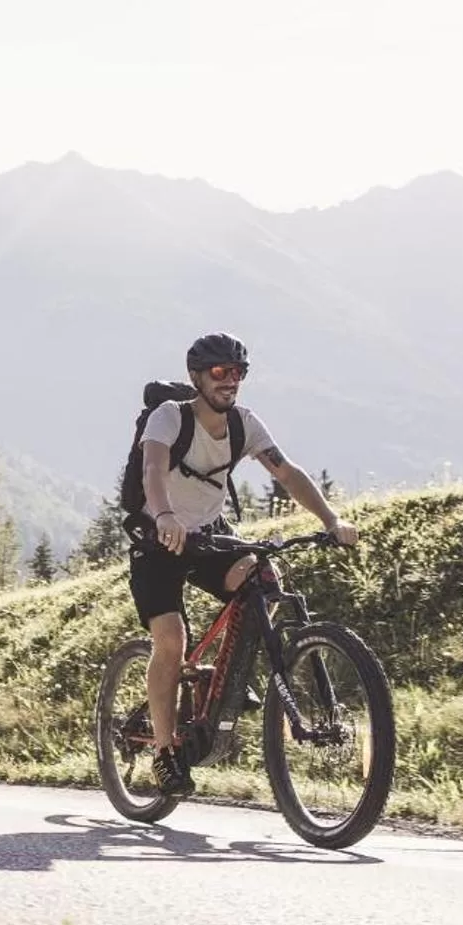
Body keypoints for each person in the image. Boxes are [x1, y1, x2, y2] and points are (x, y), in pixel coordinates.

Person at [130, 332, 357, 796]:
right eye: (220, 372)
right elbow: (152, 468)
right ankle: (164, 751)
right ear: (197, 376)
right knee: (171, 640)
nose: (230, 380)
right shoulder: (169, 416)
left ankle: (226, 679)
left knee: (263, 579)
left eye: (238, 372)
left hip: (208, 535)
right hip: (158, 539)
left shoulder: (244, 424)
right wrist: (165, 515)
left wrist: (331, 520)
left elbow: (287, 472)